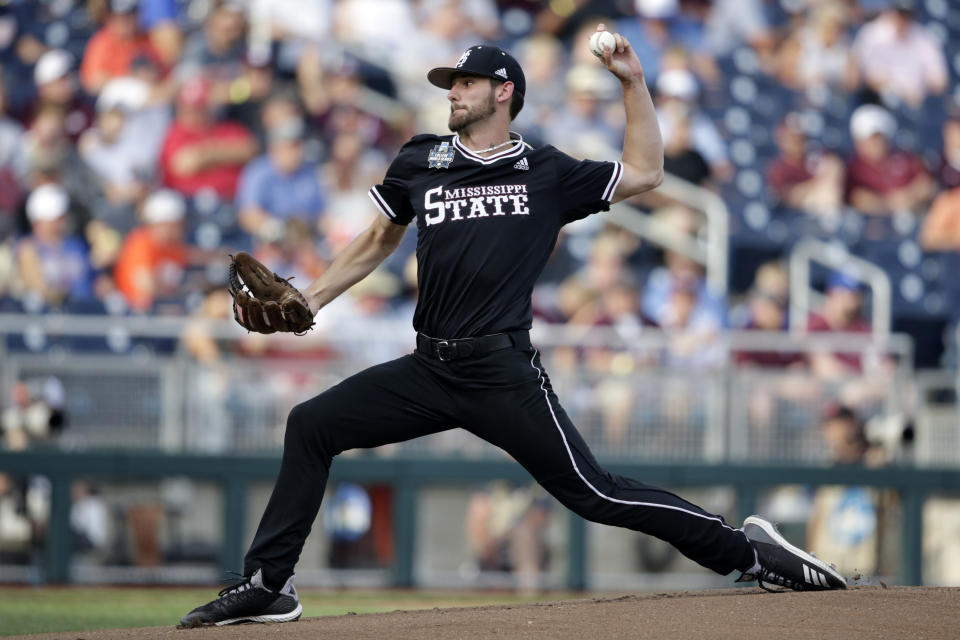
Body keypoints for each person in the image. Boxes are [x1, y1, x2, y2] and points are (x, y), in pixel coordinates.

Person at [180, 27, 846, 628]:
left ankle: (748, 552)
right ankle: (270, 583)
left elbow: (647, 172)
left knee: (592, 492)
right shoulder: (421, 160)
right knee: (311, 423)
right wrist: (313, 295)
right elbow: (378, 237)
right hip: (428, 366)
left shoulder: (547, 171)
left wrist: (634, 84)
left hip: (501, 372)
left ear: (505, 92)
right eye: (450, 84)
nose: (453, 92)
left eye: (465, 82)